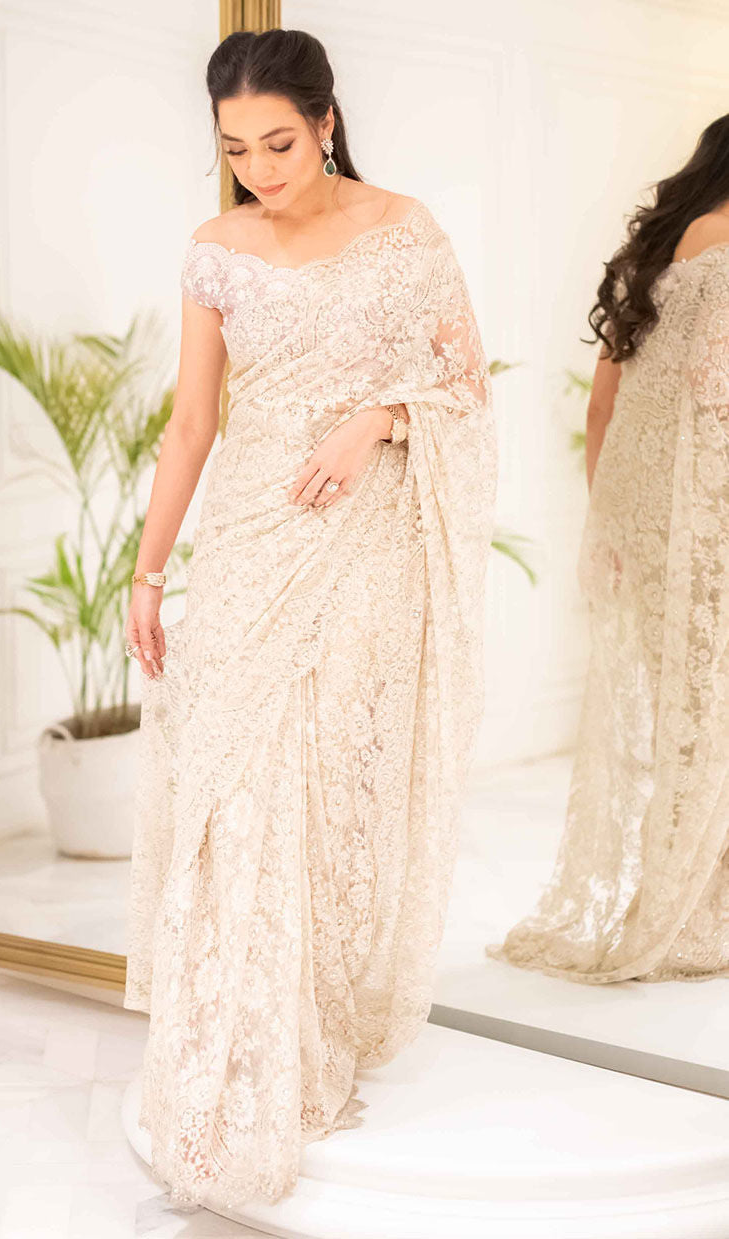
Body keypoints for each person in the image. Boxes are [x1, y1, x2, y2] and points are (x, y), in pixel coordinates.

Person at [122, 27, 497, 1211]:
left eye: (279, 143)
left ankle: (308, 1034)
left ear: (327, 122)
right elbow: (192, 424)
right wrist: (146, 574)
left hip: (363, 542)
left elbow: (464, 386)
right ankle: (229, 1056)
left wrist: (377, 420)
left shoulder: (405, 230)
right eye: (236, 149)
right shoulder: (215, 250)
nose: (259, 171)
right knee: (228, 785)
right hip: (249, 539)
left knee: (330, 787)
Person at [487, 113, 729, 986]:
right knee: (713, 707)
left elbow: (602, 407)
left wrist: (611, 521)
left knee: (682, 707)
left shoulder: (652, 256)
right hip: (708, 506)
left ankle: (682, 891)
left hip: (637, 500)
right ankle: (696, 906)